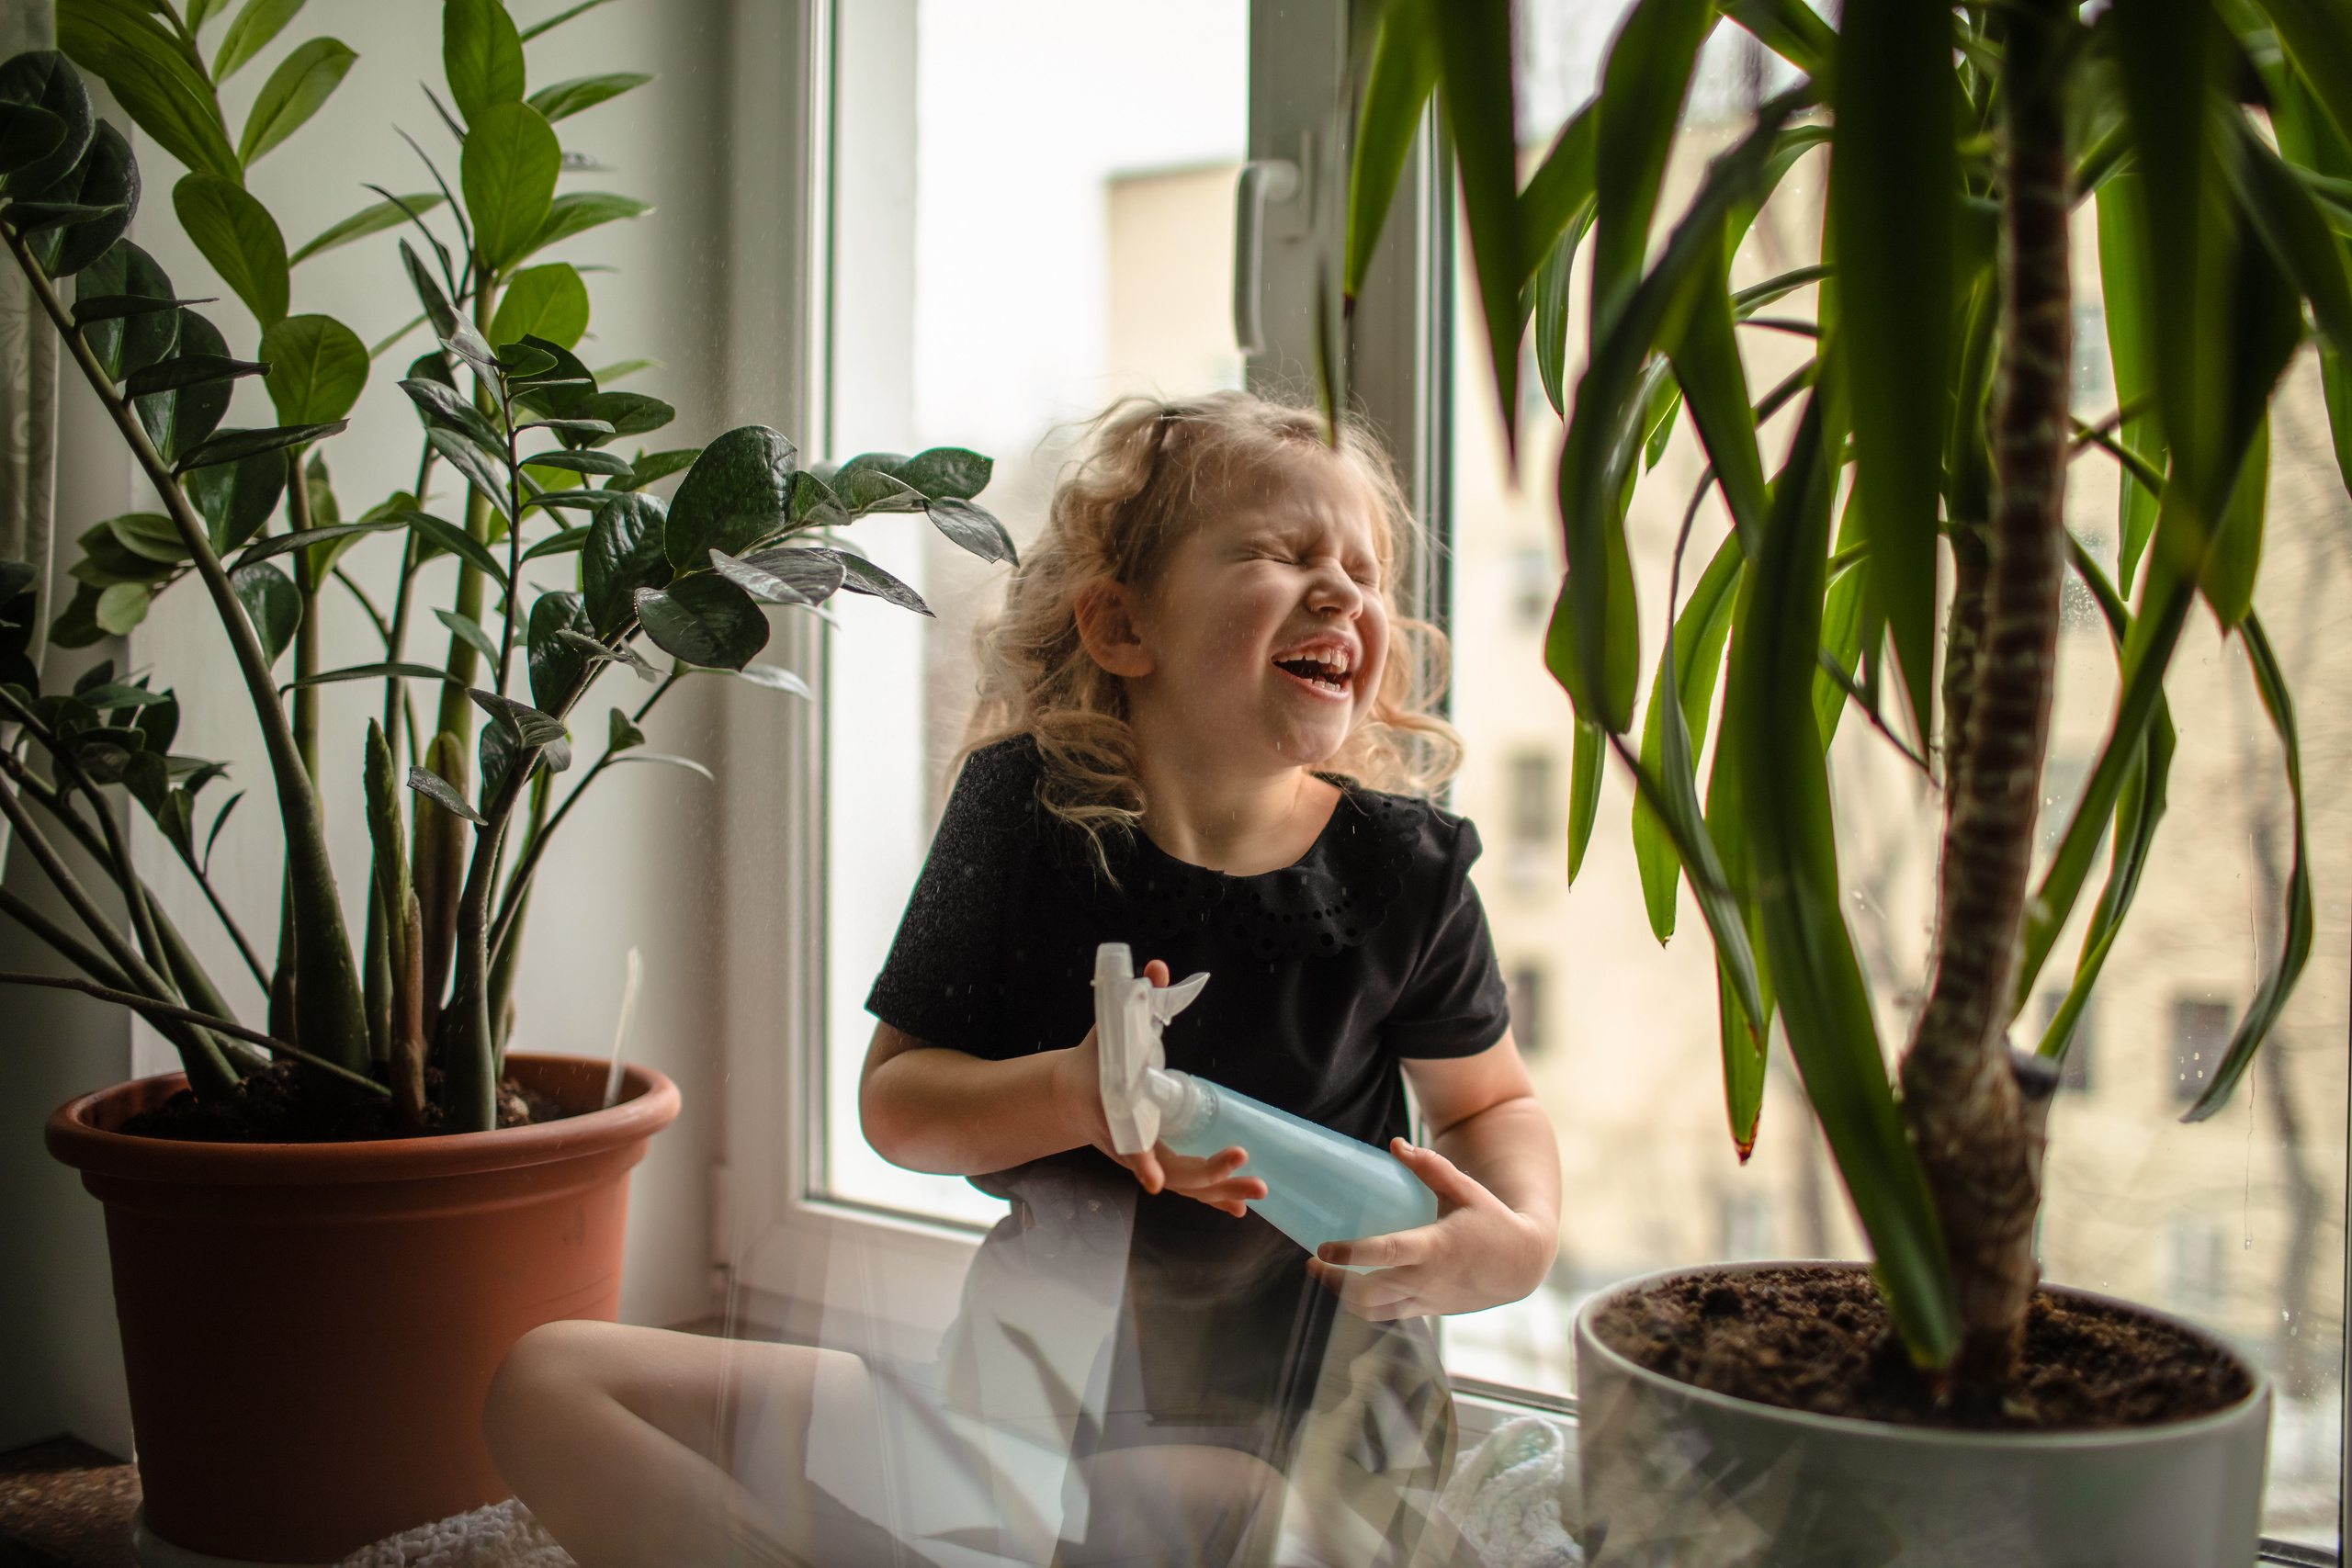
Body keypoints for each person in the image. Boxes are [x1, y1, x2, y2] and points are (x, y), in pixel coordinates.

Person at [482, 393, 1561, 1568]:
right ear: (1121, 625)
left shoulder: (1405, 871)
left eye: (1364, 572)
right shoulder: (1015, 813)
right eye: (1282, 552)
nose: (1343, 593)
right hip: (1021, 1418)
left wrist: (1516, 1241)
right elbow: (898, 1107)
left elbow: (1490, 1106)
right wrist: (1067, 1096)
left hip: (1307, 1451)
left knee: (1200, 1505)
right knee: (552, 1382)